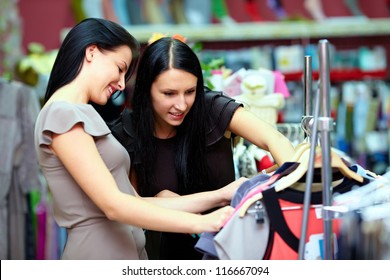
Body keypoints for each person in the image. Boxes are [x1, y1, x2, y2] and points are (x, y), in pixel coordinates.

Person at [34, 17, 247, 260]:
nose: (122, 84)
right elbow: (114, 206)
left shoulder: (79, 114)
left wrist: (222, 195)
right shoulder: (62, 114)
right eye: (120, 67)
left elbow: (136, 202)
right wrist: (202, 224)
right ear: (92, 52)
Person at [109, 36, 296, 259]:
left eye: (190, 91)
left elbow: (275, 140)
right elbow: (131, 205)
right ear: (146, 89)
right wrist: (220, 196)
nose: (181, 105)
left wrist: (294, 184)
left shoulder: (210, 108)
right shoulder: (127, 133)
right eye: (169, 94)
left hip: (229, 252)